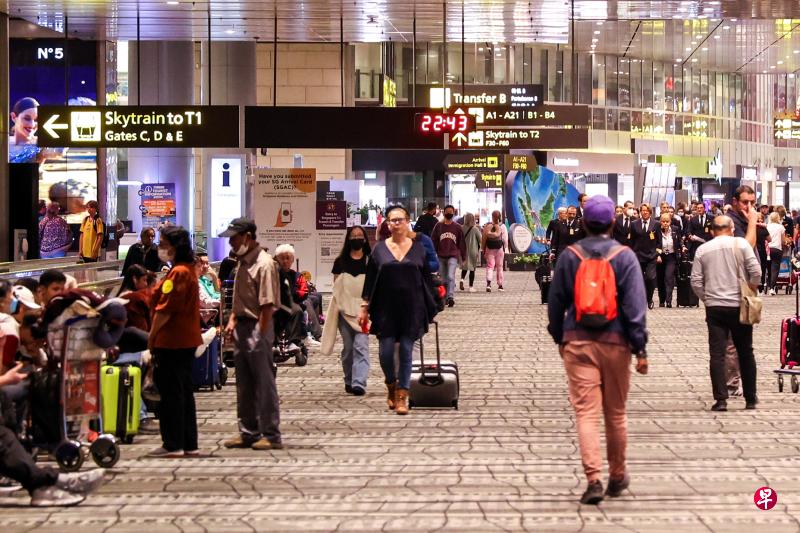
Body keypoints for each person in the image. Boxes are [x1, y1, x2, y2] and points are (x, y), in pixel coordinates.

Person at [547, 195, 648, 505]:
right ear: (613, 223)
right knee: (615, 414)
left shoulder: (570, 256)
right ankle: (617, 475)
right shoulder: (625, 257)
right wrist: (640, 347)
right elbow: (635, 307)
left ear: (585, 223)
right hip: (617, 342)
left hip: (578, 341)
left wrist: (560, 337)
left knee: (586, 414)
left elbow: (556, 303)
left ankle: (593, 479)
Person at [360, 205, 437, 416]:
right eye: (392, 220)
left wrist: (432, 305)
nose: (396, 224)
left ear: (407, 221)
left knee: (405, 350)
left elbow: (427, 279)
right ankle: (391, 385)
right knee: (385, 354)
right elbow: (370, 280)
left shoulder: (418, 248)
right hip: (385, 309)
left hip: (412, 308)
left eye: (400, 220)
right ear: (387, 224)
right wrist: (364, 307)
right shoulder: (379, 249)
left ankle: (403, 395)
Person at [219, 218, 283, 451]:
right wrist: (233, 321)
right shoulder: (242, 263)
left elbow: (268, 305)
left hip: (259, 325)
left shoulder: (264, 264)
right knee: (244, 383)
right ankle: (248, 431)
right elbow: (240, 298)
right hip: (242, 326)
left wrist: (259, 334)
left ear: (247, 236)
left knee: (264, 382)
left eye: (234, 238)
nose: (231, 244)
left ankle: (271, 434)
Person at [690, 215, 760, 412]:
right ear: (731, 228)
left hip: (715, 309)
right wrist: (751, 289)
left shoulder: (703, 250)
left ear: (712, 231)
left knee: (717, 354)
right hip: (739, 305)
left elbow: (695, 281)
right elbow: (756, 271)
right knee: (746, 351)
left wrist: (708, 299)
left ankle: (720, 400)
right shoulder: (742, 244)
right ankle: (750, 398)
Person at [146, 226, 203, 458]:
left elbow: (165, 310)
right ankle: (188, 442)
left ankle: (172, 443)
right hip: (185, 339)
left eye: (163, 243)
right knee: (183, 392)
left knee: (171, 394)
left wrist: (151, 337)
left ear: (175, 246)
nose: (161, 247)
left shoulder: (179, 273)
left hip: (173, 340)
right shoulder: (186, 270)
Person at [321, 226, 371, 396]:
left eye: (360, 235)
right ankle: (349, 379)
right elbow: (337, 287)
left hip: (364, 312)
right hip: (344, 313)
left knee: (361, 346)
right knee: (349, 348)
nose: (357, 238)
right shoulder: (339, 262)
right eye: (353, 235)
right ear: (348, 238)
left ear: (364, 239)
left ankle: (359, 382)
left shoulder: (370, 262)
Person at [273, 244, 309, 351]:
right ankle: (273, 343)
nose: (284, 261)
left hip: (290, 302)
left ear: (292, 260)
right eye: (282, 258)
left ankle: (293, 342)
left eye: (287, 258)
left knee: (297, 311)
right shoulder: (271, 273)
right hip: (273, 303)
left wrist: (293, 295)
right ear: (277, 259)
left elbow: (303, 292)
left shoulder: (297, 276)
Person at [431, 205, 465, 307]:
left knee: (450, 276)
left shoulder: (457, 227)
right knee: (442, 278)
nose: (449, 213)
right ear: (444, 212)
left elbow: (461, 243)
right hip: (441, 255)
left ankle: (450, 296)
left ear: (453, 213)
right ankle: (444, 297)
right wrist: (433, 254)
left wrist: (463, 256)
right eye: (447, 211)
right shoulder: (438, 226)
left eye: (451, 211)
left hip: (453, 255)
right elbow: (433, 240)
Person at [630, 204, 659, 309]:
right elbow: (631, 240)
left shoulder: (656, 224)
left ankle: (649, 298)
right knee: (639, 279)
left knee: (650, 278)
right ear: (640, 212)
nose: (645, 212)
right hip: (638, 255)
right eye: (643, 210)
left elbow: (659, 241)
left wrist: (657, 253)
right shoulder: (634, 224)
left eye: (647, 211)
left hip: (651, 256)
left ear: (650, 212)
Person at [656, 213, 680, 308]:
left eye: (667, 221)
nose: (665, 223)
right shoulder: (656, 231)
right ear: (660, 222)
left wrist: (682, 247)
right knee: (660, 278)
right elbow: (654, 243)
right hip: (660, 257)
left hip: (671, 256)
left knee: (669, 277)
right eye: (663, 221)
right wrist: (657, 255)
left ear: (670, 221)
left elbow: (678, 241)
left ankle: (668, 300)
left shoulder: (675, 230)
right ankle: (662, 300)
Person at [482, 210, 508, 293]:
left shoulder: (488, 226)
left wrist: (483, 249)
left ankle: (488, 284)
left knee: (490, 266)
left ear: (492, 216)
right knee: (499, 267)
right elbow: (505, 240)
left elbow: (484, 239)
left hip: (490, 249)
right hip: (499, 249)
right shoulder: (502, 226)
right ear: (500, 216)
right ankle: (500, 285)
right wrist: (505, 247)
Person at [459, 213, 482, 293]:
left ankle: (462, 280)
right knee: (472, 269)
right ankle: (471, 287)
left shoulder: (461, 228)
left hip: (463, 250)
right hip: (473, 250)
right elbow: (480, 239)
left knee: (465, 267)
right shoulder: (475, 229)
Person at [766, 212, 785, 295]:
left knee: (768, 269)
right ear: (778, 218)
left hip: (767, 249)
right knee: (775, 269)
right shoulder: (781, 227)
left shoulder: (767, 226)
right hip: (777, 249)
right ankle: (772, 288)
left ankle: (767, 284)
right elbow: (783, 241)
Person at [755, 213, 771, 293]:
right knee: (762, 267)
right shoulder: (763, 228)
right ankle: (762, 283)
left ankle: (755, 283)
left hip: (753, 250)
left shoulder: (751, 228)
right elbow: (769, 239)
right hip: (762, 250)